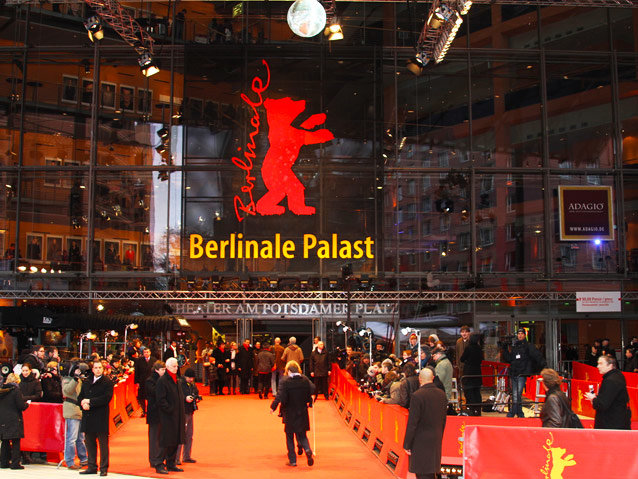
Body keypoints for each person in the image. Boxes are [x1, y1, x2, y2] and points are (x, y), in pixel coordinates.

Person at [403, 368, 447, 479]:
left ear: (420, 379)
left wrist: (407, 444)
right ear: (433, 378)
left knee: (422, 473)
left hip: (420, 440)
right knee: (431, 471)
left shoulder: (417, 396)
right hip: (436, 438)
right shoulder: (442, 394)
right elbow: (443, 420)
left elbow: (413, 422)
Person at [269, 361, 315, 467]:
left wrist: (273, 407)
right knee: (302, 435)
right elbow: (313, 389)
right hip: (302, 411)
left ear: (289, 371)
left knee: (289, 436)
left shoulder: (285, 381)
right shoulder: (305, 380)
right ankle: (307, 449)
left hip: (289, 412)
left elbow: (280, 396)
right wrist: (310, 401)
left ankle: (293, 460)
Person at [78, 361, 114, 477]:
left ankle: (104, 468)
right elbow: (81, 396)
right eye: (96, 368)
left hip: (100, 416)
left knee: (103, 444)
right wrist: (83, 404)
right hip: (88, 417)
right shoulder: (87, 381)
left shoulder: (107, 382)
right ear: (92, 369)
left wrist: (90, 402)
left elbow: (106, 398)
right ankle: (92, 466)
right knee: (89, 443)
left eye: (100, 368)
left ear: (103, 369)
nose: (98, 369)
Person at [502, 328, 545, 418]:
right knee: (516, 394)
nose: (520, 335)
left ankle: (513, 413)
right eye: (519, 334)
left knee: (517, 394)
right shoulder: (515, 346)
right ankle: (520, 413)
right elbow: (509, 359)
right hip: (514, 373)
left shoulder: (528, 346)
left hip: (522, 373)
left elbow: (537, 356)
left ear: (525, 335)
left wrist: (541, 367)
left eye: (522, 333)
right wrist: (504, 348)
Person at [585, 355, 631, 429]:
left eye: (601, 364)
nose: (598, 366)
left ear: (610, 366)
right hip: (619, 419)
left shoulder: (610, 381)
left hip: (611, 423)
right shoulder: (618, 375)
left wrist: (593, 399)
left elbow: (603, 404)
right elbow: (610, 397)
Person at [155, 357, 185, 472]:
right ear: (167, 367)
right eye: (174, 366)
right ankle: (159, 463)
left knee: (175, 440)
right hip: (167, 416)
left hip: (177, 415)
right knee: (165, 441)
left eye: (177, 366)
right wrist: (170, 409)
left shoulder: (176, 379)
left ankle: (171, 463)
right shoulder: (162, 381)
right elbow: (160, 400)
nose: (176, 368)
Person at [62, 363, 88, 470]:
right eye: (77, 370)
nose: (79, 372)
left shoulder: (80, 380)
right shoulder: (67, 379)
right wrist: (75, 378)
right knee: (71, 438)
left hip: (79, 410)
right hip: (71, 410)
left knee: (80, 438)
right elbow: (67, 391)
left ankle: (83, 458)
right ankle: (69, 461)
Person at [0, 373, 29, 470]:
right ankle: (15, 463)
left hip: (3, 419)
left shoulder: (2, 390)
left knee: (5, 441)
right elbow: (21, 406)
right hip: (14, 419)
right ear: (17, 381)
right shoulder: (16, 390)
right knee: (16, 441)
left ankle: (4, 462)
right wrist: (27, 404)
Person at [145, 361, 166, 473]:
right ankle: (153, 460)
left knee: (161, 437)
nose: (164, 371)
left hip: (162, 413)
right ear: (157, 370)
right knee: (154, 438)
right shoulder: (150, 381)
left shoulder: (162, 380)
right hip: (154, 413)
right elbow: (154, 393)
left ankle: (159, 458)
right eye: (162, 369)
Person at [176, 368, 200, 465]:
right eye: (189, 378)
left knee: (189, 435)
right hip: (183, 412)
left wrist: (196, 398)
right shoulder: (180, 384)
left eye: (192, 378)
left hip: (190, 411)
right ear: (185, 376)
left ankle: (186, 456)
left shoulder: (192, 384)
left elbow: (196, 393)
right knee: (181, 435)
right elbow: (177, 396)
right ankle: (176, 458)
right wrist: (185, 398)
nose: (191, 379)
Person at [460, 333, 484, 416]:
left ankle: (471, 410)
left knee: (469, 392)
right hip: (477, 372)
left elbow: (462, 359)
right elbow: (481, 359)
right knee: (477, 392)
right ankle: (478, 410)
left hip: (468, 372)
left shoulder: (468, 348)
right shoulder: (479, 348)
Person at [134, 348, 156, 417]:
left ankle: (150, 410)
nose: (146, 353)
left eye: (147, 352)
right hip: (142, 381)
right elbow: (136, 371)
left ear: (150, 352)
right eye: (145, 352)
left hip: (151, 381)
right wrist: (137, 382)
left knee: (150, 396)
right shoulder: (139, 360)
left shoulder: (154, 360)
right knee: (141, 397)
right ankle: (143, 410)